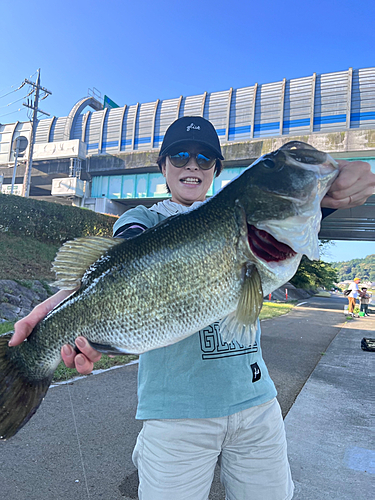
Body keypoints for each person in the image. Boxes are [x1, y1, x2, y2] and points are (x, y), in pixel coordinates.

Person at [9, 116, 375, 500]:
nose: (192, 166)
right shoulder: (144, 219)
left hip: (258, 407)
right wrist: (53, 314)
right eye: (180, 155)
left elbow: (291, 222)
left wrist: (336, 189)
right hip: (175, 417)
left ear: (217, 170)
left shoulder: (249, 224)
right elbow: (125, 257)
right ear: (163, 166)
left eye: (205, 160)